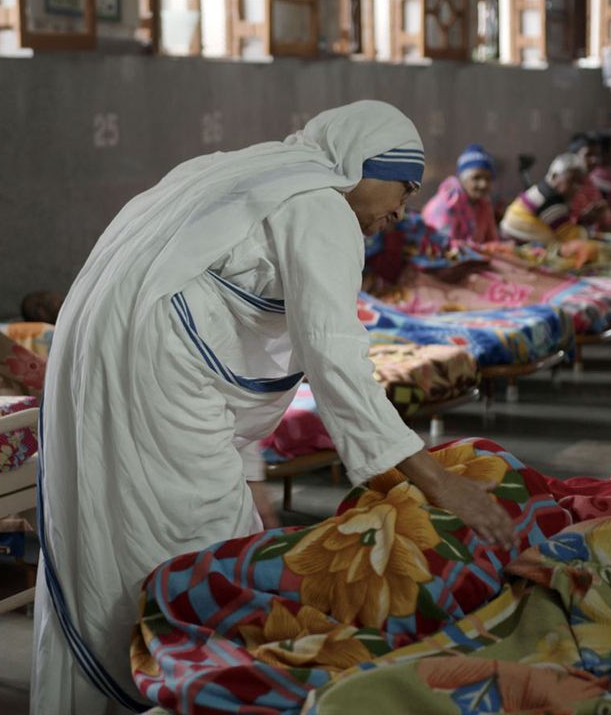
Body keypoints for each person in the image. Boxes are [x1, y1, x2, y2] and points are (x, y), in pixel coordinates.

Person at [32, 101, 517, 714]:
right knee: (191, 545)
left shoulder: (249, 172)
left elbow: (219, 316)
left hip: (105, 353)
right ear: (359, 163)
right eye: (401, 185)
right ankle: (171, 688)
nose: (402, 209)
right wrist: (438, 481)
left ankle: (126, 689)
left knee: (117, 522)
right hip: (155, 375)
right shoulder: (321, 206)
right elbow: (336, 357)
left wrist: (253, 464)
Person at [500, 153, 590, 246]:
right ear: (555, 176)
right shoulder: (551, 202)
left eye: (579, 183)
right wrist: (587, 227)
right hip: (520, 244)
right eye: (572, 181)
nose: (577, 187)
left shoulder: (540, 189)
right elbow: (571, 237)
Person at [421, 143, 500, 249]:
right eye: (476, 178)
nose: (483, 184)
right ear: (462, 178)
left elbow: (493, 243)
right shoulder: (445, 205)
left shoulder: (483, 205)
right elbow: (442, 247)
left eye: (488, 179)